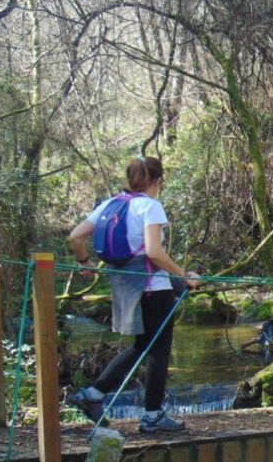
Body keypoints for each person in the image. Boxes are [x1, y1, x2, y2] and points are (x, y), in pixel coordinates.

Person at [67, 156, 201, 432]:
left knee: (143, 345)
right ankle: (152, 416)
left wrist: (85, 263)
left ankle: (93, 394)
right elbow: (153, 252)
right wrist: (184, 276)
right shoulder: (150, 207)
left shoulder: (111, 204)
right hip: (152, 287)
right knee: (158, 351)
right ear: (158, 181)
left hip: (125, 285)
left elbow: (75, 236)